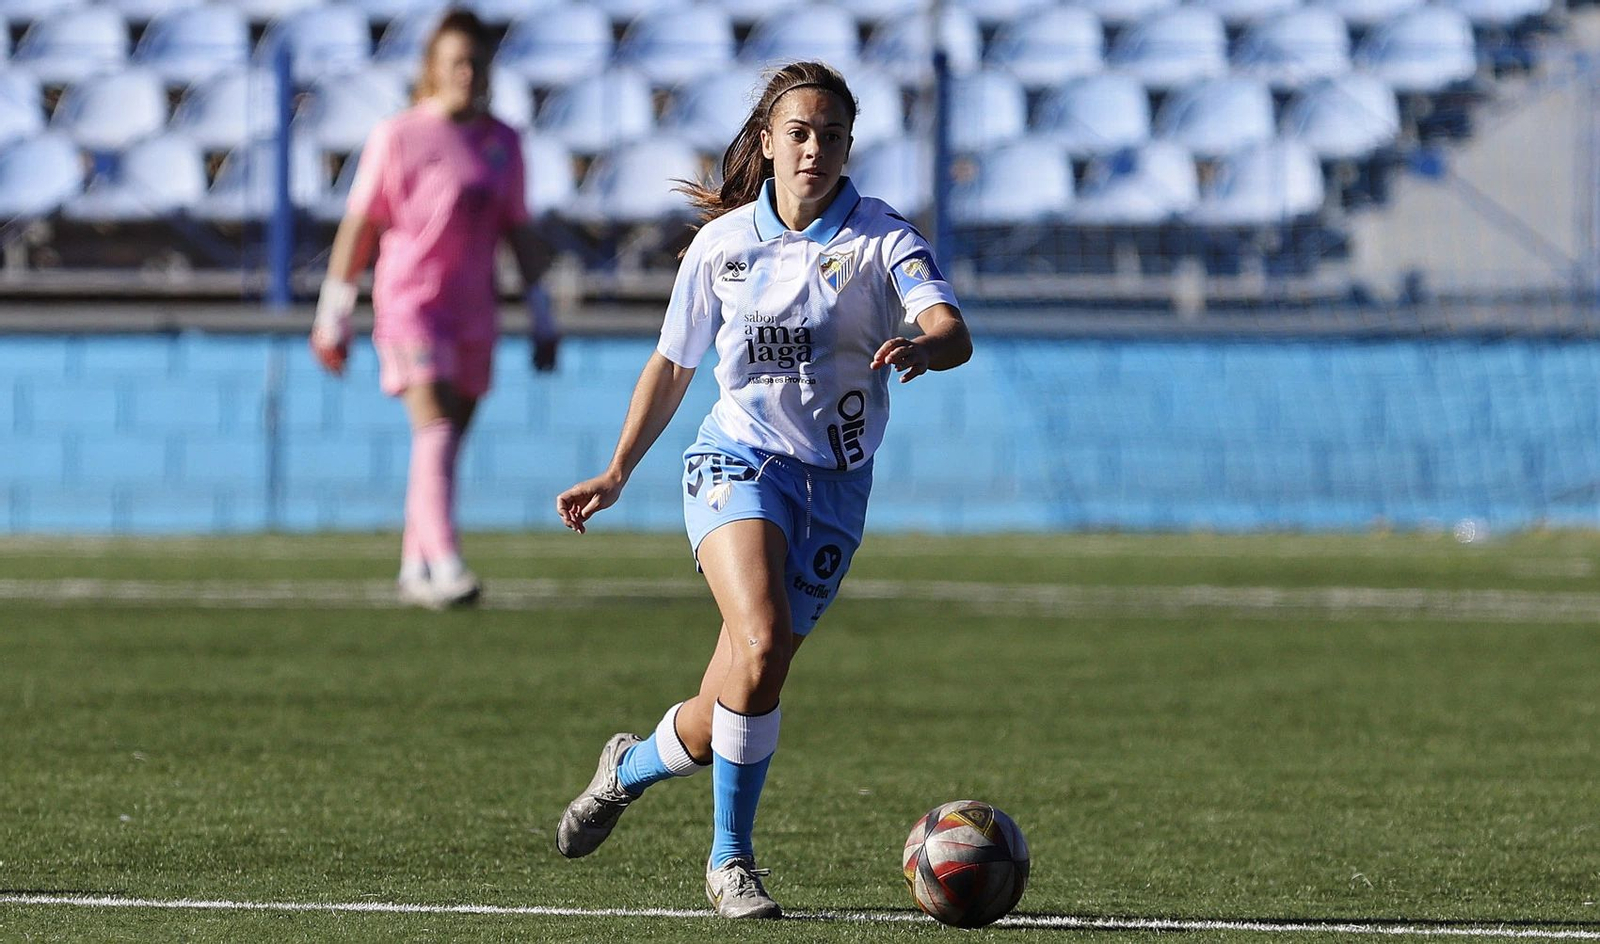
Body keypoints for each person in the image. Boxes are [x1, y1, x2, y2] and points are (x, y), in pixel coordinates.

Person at [553, 61, 972, 919]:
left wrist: (925, 348)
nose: (815, 148)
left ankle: (625, 768)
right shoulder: (722, 247)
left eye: (831, 135)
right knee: (764, 639)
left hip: (835, 491)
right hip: (735, 463)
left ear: (850, 146)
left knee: (734, 695)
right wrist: (617, 470)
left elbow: (950, 327)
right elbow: (673, 367)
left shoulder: (882, 240)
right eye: (799, 132)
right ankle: (730, 862)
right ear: (768, 142)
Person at [310, 9, 559, 609]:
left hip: (474, 310)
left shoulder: (503, 143)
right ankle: (446, 561)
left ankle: (414, 564)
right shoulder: (397, 136)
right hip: (409, 305)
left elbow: (519, 231)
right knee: (434, 424)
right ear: (432, 69)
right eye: (454, 62)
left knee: (448, 437)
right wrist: (333, 312)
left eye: (475, 62)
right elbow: (363, 225)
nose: (466, 73)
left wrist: (542, 312)